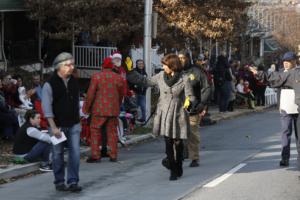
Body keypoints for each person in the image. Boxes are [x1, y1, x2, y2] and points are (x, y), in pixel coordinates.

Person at [127, 54, 196, 181]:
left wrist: (188, 104)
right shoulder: (159, 76)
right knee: (168, 142)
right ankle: (173, 170)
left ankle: (179, 164)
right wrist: (131, 72)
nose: (163, 67)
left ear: (172, 66)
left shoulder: (184, 78)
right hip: (164, 112)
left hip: (178, 113)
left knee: (178, 142)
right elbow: (145, 81)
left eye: (165, 65)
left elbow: (190, 96)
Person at [250, 51, 300, 168]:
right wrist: (259, 74)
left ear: (294, 61)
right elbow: (273, 79)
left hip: (297, 107)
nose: (286, 64)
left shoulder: (296, 73)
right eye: (284, 62)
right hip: (285, 107)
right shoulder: (283, 73)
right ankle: (285, 157)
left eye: (288, 62)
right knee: (285, 132)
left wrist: (260, 74)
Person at [42, 52, 82, 192]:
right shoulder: (49, 84)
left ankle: (73, 181)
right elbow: (47, 109)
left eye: (72, 64)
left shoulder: (74, 81)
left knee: (75, 153)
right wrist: (53, 127)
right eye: (68, 65)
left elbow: (76, 102)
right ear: (59, 67)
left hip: (74, 124)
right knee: (57, 153)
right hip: (57, 126)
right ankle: (59, 181)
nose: (71, 67)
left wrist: (79, 120)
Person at [83, 57, 125, 163]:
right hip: (113, 109)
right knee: (112, 132)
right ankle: (113, 155)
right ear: (112, 66)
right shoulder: (118, 78)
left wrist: (86, 108)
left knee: (95, 130)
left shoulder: (96, 77)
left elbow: (90, 94)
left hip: (99, 109)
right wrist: (118, 105)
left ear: (102, 66)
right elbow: (121, 95)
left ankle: (96, 155)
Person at [178, 50, 211, 167]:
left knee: (192, 133)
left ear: (188, 58)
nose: (181, 60)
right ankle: (180, 154)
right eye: (179, 58)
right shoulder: (176, 72)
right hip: (178, 109)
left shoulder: (197, 72)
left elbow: (206, 88)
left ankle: (194, 158)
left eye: (183, 58)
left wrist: (202, 104)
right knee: (177, 134)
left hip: (193, 108)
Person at [132, 59, 148, 124]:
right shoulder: (134, 72)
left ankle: (143, 120)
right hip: (135, 92)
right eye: (139, 64)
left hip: (143, 93)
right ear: (136, 65)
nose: (141, 65)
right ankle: (133, 121)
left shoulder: (144, 73)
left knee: (143, 107)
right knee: (135, 107)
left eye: (142, 64)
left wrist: (145, 88)